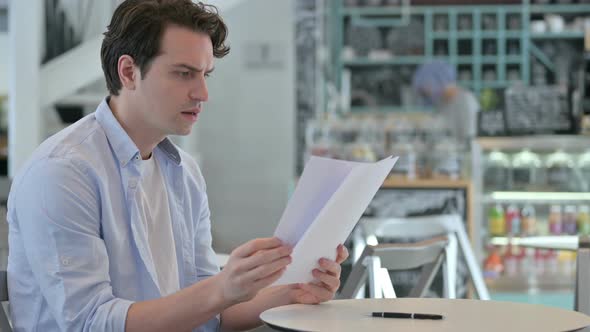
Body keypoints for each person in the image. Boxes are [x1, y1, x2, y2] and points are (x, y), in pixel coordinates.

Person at [6, 1, 348, 331]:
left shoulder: (182, 172)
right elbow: (90, 323)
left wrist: (293, 293)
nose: (202, 93)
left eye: (205, 75)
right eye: (184, 74)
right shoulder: (62, 173)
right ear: (128, 72)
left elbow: (207, 316)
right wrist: (221, 289)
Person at [412, 61, 480, 144]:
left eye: (427, 90)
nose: (428, 95)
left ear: (438, 80)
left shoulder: (466, 100)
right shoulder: (443, 102)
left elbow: (470, 139)